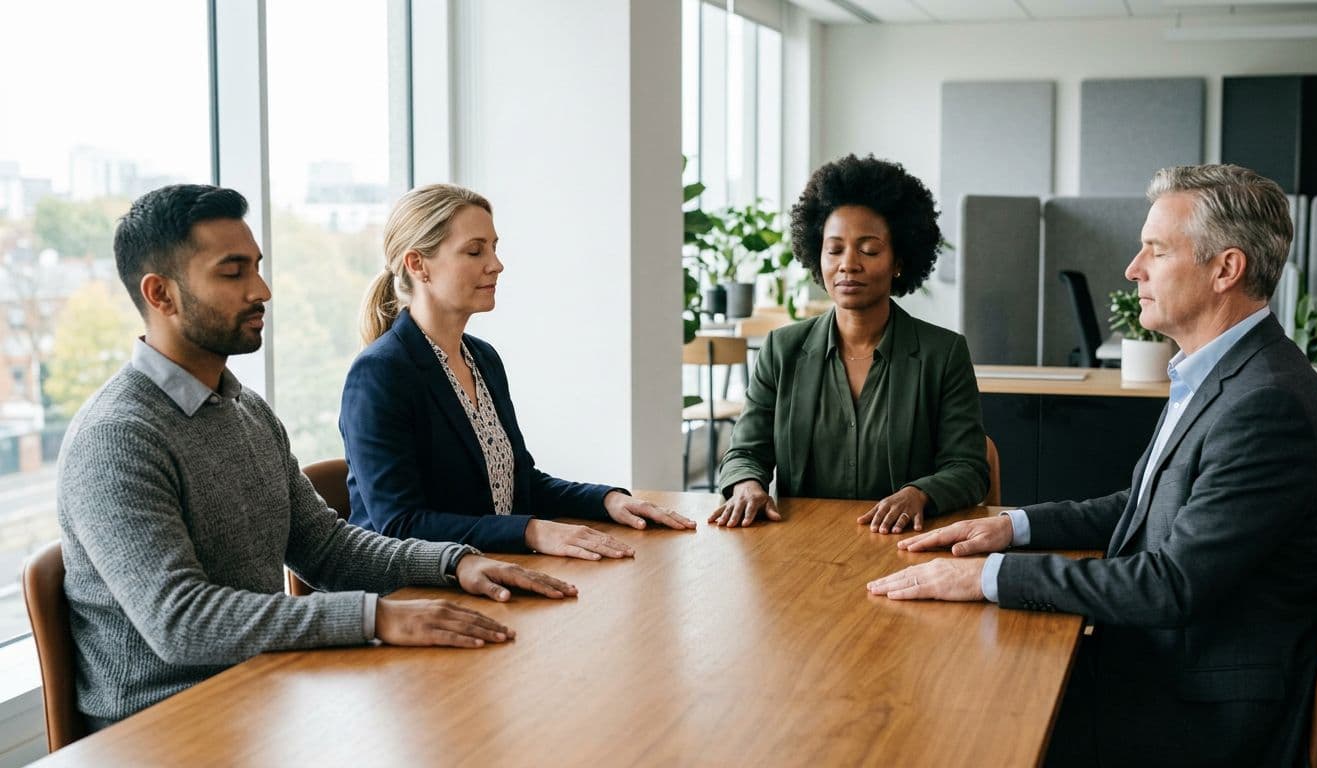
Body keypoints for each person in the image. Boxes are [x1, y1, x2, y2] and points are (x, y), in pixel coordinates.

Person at [868, 164, 1317, 766]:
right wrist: (1013, 527)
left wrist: (987, 577)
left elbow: (1171, 584)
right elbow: (1142, 506)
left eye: (1156, 250)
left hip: (1197, 714)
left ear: (1226, 269)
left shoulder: (1266, 403)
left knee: (950, 720)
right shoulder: (1224, 373)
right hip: (1162, 668)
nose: (1132, 269)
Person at [57, 185, 579, 729]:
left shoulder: (247, 412)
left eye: (257, 267)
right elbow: (181, 622)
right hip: (164, 727)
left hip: (263, 691)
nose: (261, 290)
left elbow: (325, 548)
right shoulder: (117, 437)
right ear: (160, 294)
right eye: (233, 273)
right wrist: (376, 617)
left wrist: (454, 563)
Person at [342, 184, 695, 558]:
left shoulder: (483, 358)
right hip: (410, 585)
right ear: (418, 265)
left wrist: (606, 500)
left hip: (490, 568)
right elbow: (400, 525)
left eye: (494, 248)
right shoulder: (379, 374)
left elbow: (520, 485)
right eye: (475, 251)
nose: (496, 264)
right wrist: (531, 532)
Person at [710, 154, 989, 533]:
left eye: (869, 250)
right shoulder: (781, 350)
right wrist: (746, 485)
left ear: (898, 261)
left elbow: (969, 468)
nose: (848, 264)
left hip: (903, 543)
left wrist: (920, 494)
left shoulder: (943, 354)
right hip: (800, 545)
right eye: (834, 249)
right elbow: (745, 452)